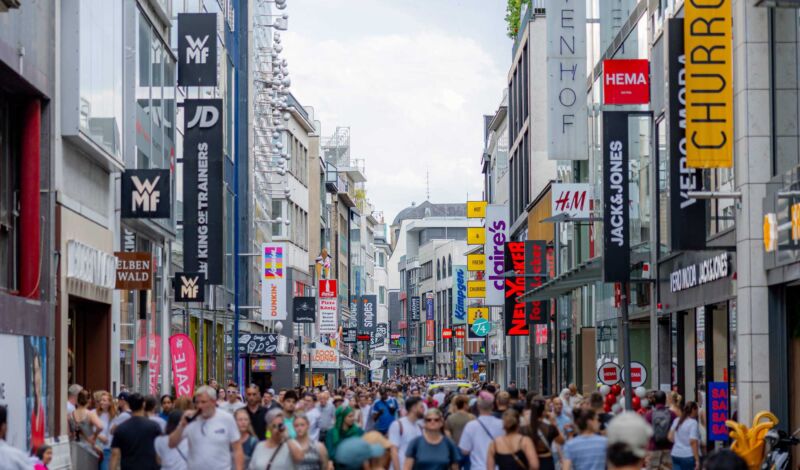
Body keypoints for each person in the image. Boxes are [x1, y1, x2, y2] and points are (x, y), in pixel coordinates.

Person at [168, 385, 244, 470]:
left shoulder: (226, 418)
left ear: (213, 402)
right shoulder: (190, 419)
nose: (199, 405)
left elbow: (237, 449)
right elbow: (171, 444)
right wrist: (181, 426)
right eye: (197, 402)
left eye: (203, 402)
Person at [110, 392, 162, 470]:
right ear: (144, 405)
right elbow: (159, 453)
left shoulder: (121, 428)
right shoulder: (154, 426)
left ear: (129, 405)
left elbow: (115, 454)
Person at [459, 393, 504, 470]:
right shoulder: (502, 424)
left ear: (478, 406)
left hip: (477, 467)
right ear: (493, 406)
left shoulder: (471, 426)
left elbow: (464, 450)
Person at [523, 397, 564, 470]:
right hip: (546, 461)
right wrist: (554, 423)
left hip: (530, 460)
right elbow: (561, 440)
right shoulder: (549, 428)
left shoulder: (525, 428)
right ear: (543, 412)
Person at [388, 397, 425, 470]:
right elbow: (394, 451)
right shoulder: (398, 425)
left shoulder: (419, 427)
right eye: (421, 407)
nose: (424, 410)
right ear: (414, 408)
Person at [645, 391, 677, 470]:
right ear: (665, 400)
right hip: (668, 448)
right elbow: (676, 431)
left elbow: (645, 434)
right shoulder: (672, 414)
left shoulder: (649, 414)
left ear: (654, 400)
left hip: (653, 448)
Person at [69, 389, 104, 459]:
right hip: (88, 448)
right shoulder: (90, 414)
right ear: (89, 401)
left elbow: (69, 434)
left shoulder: (70, 415)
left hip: (74, 448)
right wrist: (94, 436)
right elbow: (100, 426)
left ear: (77, 400)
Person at [669, 401, 700, 470]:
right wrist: (697, 460)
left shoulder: (677, 420)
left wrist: (678, 442)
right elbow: (693, 441)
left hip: (675, 453)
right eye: (697, 410)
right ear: (693, 410)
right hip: (687, 455)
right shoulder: (693, 423)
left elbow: (670, 437)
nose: (697, 412)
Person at [94, 390, 117, 469]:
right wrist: (99, 436)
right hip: (94, 448)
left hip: (107, 449)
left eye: (104, 400)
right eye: (101, 400)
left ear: (110, 403)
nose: (101, 402)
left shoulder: (114, 416)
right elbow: (88, 429)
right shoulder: (93, 413)